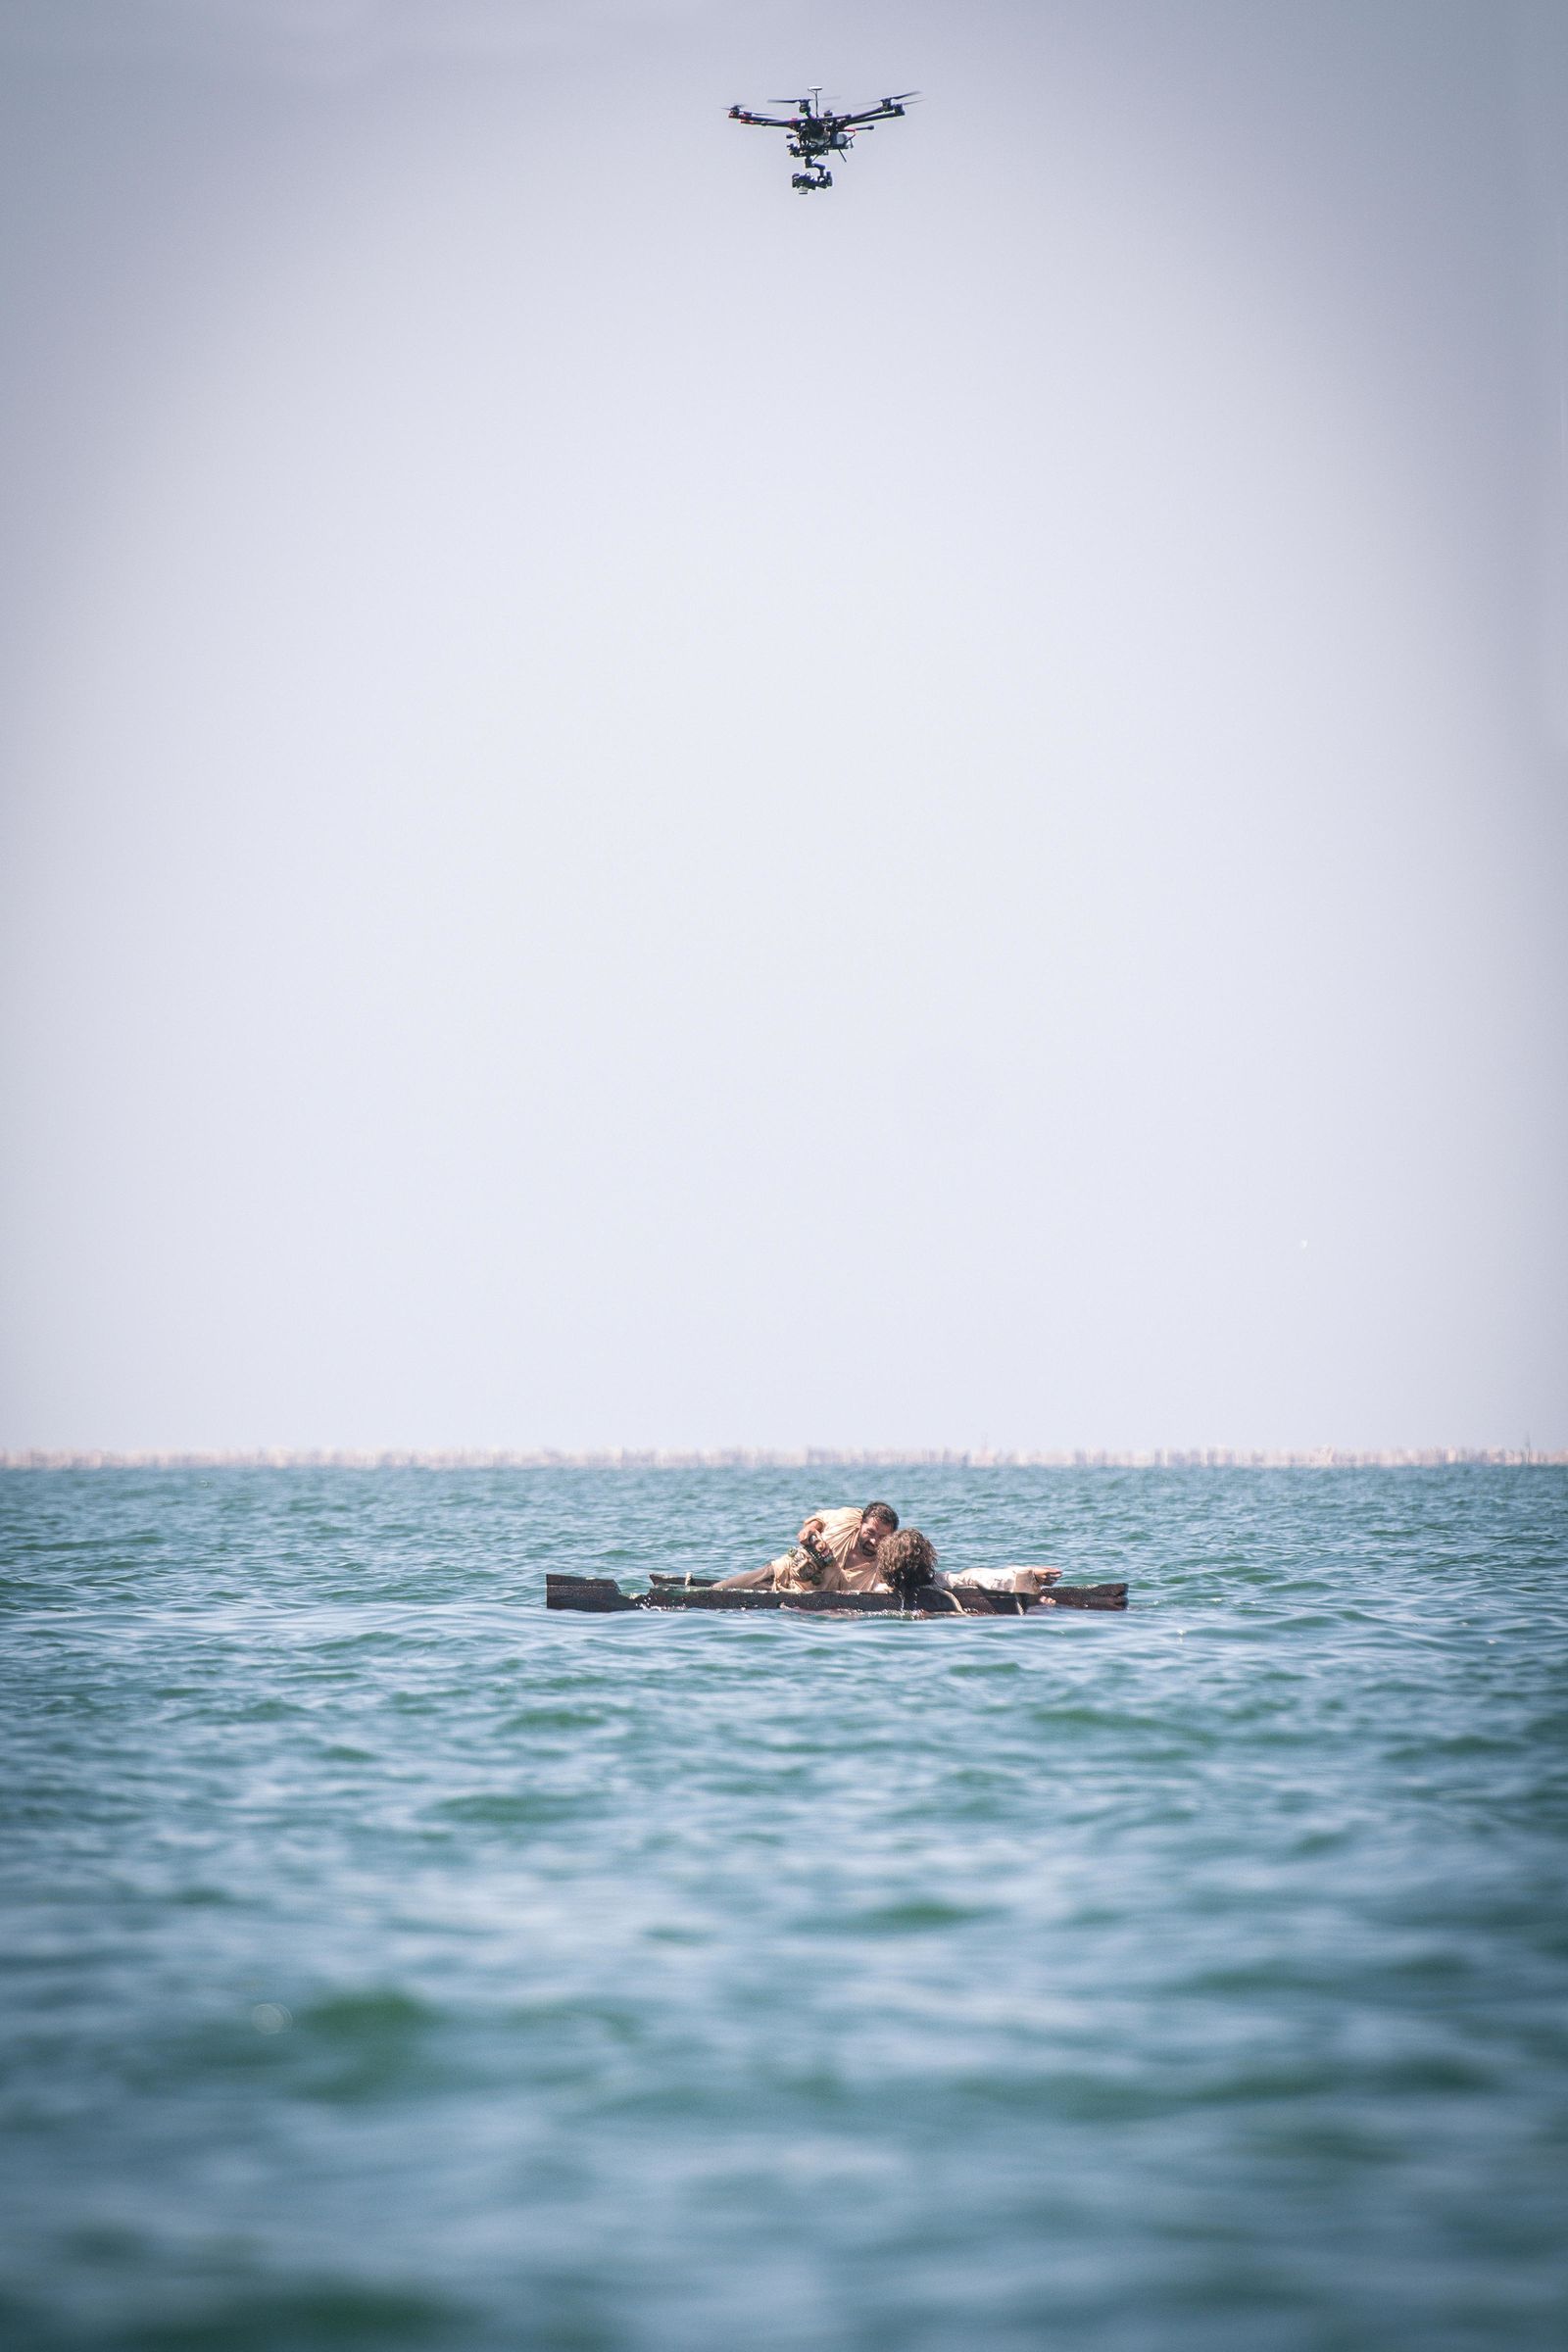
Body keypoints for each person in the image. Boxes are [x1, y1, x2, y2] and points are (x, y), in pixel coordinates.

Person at [717, 1501, 900, 1592]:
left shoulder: (884, 1567)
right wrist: (809, 1531)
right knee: (719, 1590)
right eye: (870, 1532)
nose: (875, 1541)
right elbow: (817, 1520)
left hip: (810, 1599)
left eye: (883, 1537)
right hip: (785, 1572)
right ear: (861, 1524)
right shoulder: (848, 1518)